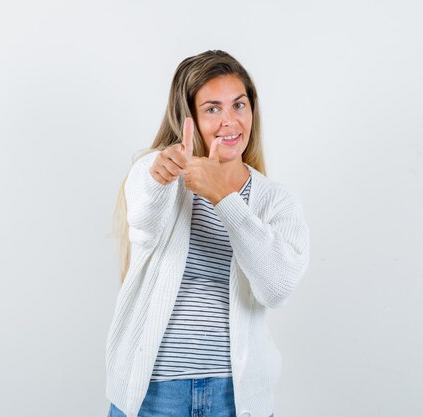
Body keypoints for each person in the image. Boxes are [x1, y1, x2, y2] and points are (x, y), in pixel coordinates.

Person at [105, 50, 310, 417]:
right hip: (153, 394)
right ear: (190, 118)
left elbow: (276, 288)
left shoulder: (277, 201)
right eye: (212, 108)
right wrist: (159, 177)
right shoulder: (153, 173)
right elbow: (144, 224)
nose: (229, 122)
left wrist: (223, 197)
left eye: (239, 105)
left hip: (235, 398)